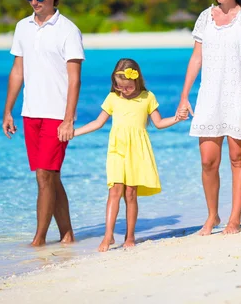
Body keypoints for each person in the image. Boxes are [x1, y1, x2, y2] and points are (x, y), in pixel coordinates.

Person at [177, 0, 241, 235]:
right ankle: (212, 215)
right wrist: (184, 96)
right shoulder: (205, 17)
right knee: (207, 161)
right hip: (209, 96)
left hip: (238, 96)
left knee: (237, 158)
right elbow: (196, 58)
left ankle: (234, 218)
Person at [2, 0, 84, 246]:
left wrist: (68, 119)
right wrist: (8, 110)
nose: (34, 1)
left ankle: (38, 239)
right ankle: (67, 234)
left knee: (43, 176)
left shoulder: (68, 30)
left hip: (56, 115)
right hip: (30, 113)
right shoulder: (22, 27)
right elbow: (17, 71)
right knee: (50, 176)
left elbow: (74, 79)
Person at [74, 58, 184, 251]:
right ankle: (108, 236)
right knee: (114, 191)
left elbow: (158, 123)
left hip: (137, 150)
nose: (124, 91)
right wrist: (74, 133)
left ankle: (130, 235)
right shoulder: (112, 98)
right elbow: (98, 123)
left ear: (137, 80)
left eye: (127, 87)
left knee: (131, 193)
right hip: (117, 149)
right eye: (120, 87)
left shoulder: (147, 97)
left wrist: (177, 117)